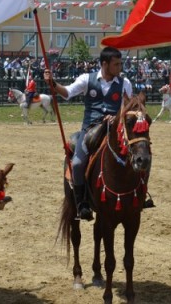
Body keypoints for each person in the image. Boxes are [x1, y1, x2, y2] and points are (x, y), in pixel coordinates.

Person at [44, 47, 133, 221]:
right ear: (104, 64)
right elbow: (68, 93)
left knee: (140, 156)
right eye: (116, 64)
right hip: (91, 129)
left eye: (120, 63)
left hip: (115, 130)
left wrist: (116, 117)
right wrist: (53, 83)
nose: (120, 67)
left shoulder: (125, 83)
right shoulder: (87, 79)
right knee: (77, 164)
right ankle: (81, 203)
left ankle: (140, 194)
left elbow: (128, 107)